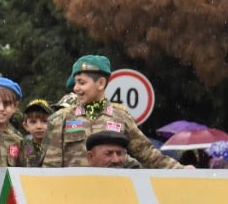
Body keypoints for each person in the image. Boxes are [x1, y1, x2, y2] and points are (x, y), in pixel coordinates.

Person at [42, 55, 184, 169]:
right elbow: (49, 169)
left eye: (82, 82)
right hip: (72, 197)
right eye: (76, 83)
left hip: (113, 196)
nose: (76, 88)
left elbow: (148, 154)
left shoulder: (121, 117)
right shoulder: (61, 119)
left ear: (101, 83)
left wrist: (180, 170)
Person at [21, 99, 51, 166]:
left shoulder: (58, 147)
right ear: (26, 126)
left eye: (44, 121)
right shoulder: (22, 147)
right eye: (33, 122)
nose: (39, 126)